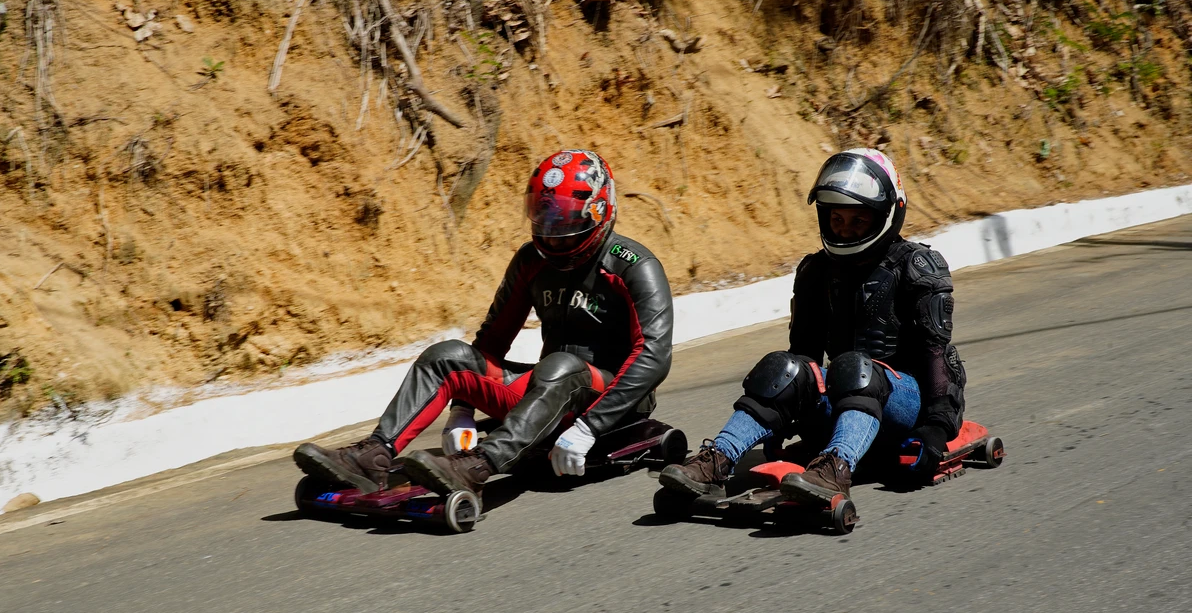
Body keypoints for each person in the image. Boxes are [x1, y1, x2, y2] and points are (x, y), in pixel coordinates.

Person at [294, 150, 674, 499]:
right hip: (549, 389)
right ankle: (373, 455)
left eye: (565, 219)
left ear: (599, 210)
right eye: (546, 216)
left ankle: (477, 466)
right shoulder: (531, 260)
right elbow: (492, 339)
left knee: (559, 366)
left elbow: (654, 356)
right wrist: (461, 411)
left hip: (615, 401)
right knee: (447, 356)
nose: (554, 232)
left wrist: (588, 428)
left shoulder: (634, 265)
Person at [658, 148, 966, 507]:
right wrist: (779, 415)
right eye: (837, 219)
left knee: (854, 366)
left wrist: (936, 428)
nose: (845, 230)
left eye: (857, 221)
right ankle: (717, 460)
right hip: (844, 396)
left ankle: (836, 468)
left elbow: (936, 356)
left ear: (886, 215)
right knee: (783, 367)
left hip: (908, 405)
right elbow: (805, 357)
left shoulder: (917, 266)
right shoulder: (816, 271)